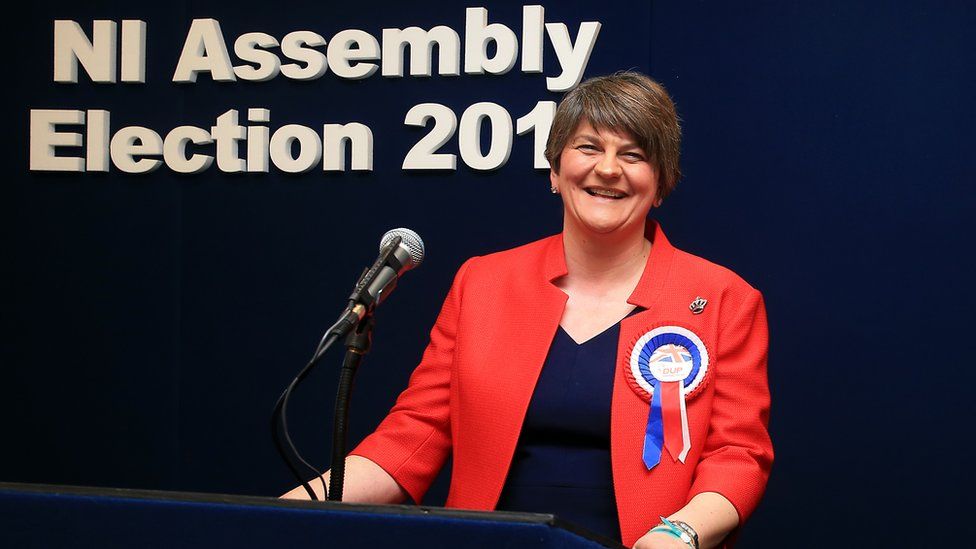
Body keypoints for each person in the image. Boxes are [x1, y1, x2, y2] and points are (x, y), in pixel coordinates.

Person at [282, 71, 773, 549]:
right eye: (588, 148)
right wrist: (288, 512)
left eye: (634, 155)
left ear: (661, 184)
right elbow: (416, 434)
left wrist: (680, 535)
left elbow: (738, 455)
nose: (607, 168)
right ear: (555, 171)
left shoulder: (724, 297)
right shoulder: (482, 282)